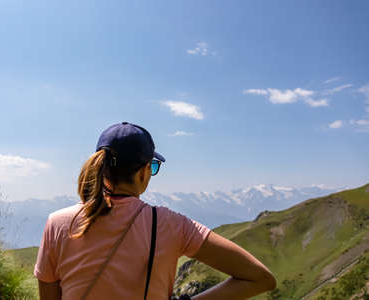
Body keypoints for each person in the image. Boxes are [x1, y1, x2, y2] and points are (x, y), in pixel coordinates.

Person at [34, 122, 276, 300]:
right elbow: (261, 278)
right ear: (143, 172)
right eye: (153, 166)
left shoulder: (57, 223)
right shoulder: (172, 225)